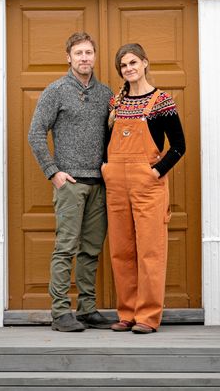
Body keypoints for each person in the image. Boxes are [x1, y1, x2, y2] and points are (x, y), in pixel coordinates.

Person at [28, 31, 116, 332]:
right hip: (70, 183)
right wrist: (53, 172)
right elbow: (35, 134)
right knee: (65, 248)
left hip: (99, 184)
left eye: (89, 52)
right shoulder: (56, 91)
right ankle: (60, 312)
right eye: (78, 53)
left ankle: (87, 309)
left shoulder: (106, 94)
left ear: (95, 56)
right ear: (68, 57)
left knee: (91, 250)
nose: (84, 58)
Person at [102, 43, 185, 334]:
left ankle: (147, 317)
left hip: (148, 185)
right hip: (116, 185)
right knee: (121, 251)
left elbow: (179, 146)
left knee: (150, 251)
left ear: (145, 63)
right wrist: (105, 167)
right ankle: (127, 313)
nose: (129, 69)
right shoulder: (116, 103)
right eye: (124, 65)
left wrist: (156, 172)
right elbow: (106, 142)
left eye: (133, 62)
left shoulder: (162, 101)